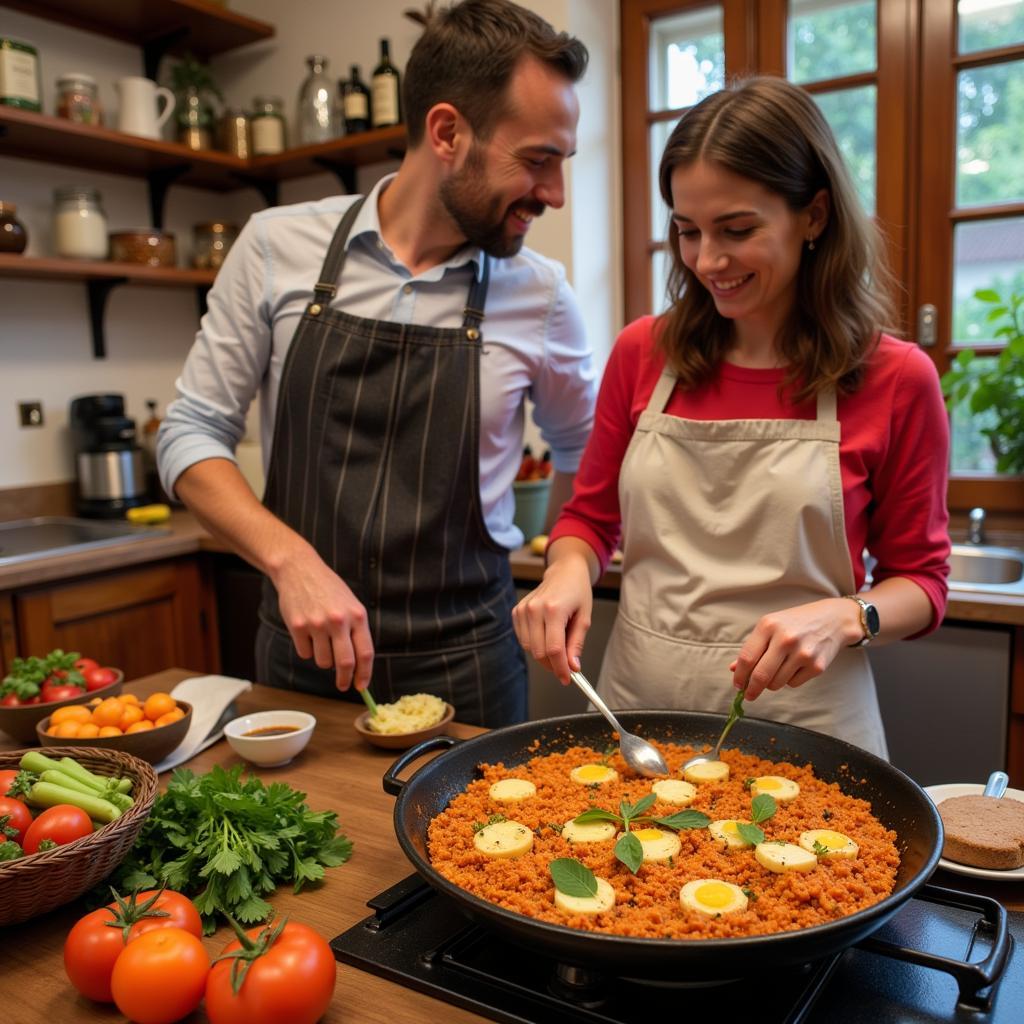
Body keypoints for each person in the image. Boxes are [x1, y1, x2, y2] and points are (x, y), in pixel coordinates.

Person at [157, 0, 597, 727]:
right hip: (304, 665)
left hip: (472, 667)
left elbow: (589, 456)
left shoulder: (541, 295)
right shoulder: (274, 246)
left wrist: (565, 567)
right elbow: (189, 435)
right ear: (448, 132)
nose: (553, 193)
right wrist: (291, 563)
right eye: (537, 160)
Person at [512, 76, 950, 756]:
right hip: (640, 719)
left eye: (737, 230)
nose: (708, 260)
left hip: (810, 727)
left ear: (815, 215)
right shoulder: (642, 353)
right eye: (688, 231)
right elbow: (589, 521)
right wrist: (567, 571)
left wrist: (846, 616)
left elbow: (922, 582)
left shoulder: (895, 378)